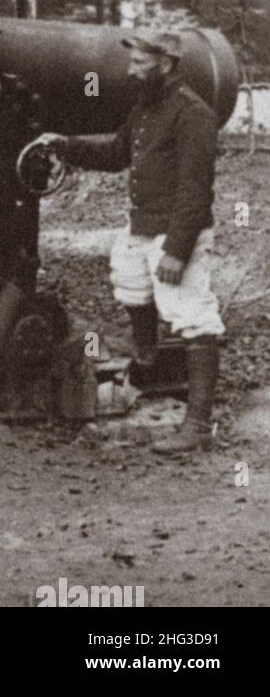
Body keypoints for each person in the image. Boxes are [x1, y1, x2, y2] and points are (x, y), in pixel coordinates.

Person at [35, 29, 223, 454]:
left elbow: (196, 192)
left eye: (140, 63)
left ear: (167, 64)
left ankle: (197, 425)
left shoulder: (192, 113)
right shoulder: (144, 109)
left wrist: (177, 250)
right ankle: (149, 362)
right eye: (132, 62)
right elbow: (117, 153)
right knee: (131, 283)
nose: (131, 71)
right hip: (142, 226)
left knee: (192, 314)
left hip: (176, 230)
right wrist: (65, 145)